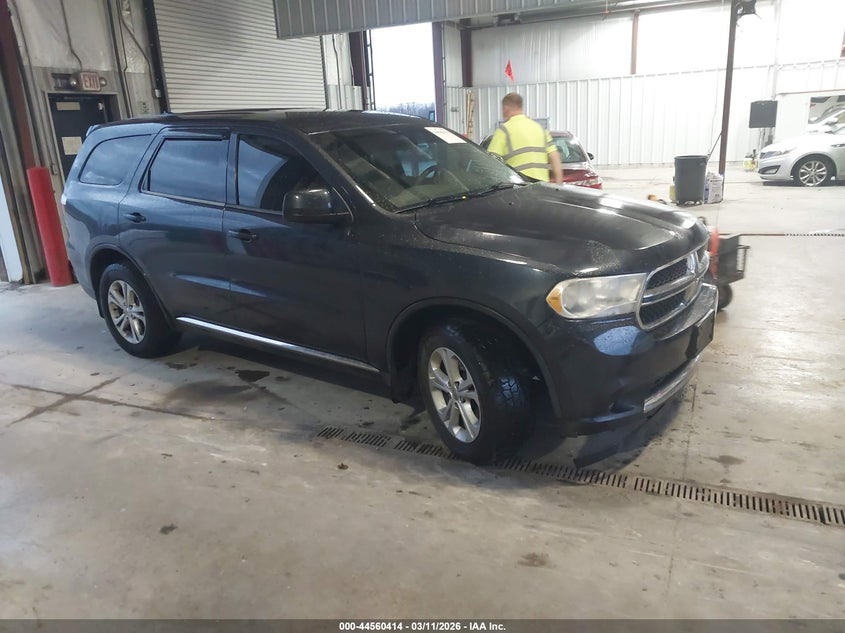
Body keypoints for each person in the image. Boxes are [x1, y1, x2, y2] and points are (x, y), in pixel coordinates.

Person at [487, 93, 563, 184]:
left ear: (505, 108)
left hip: (519, 186)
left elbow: (490, 161)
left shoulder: (504, 130)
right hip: (542, 186)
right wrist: (559, 185)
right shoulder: (540, 128)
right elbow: (554, 156)